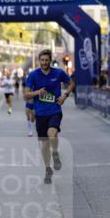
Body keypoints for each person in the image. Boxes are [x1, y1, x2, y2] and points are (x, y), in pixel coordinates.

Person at [24, 49, 74, 184]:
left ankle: (56, 153)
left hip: (55, 110)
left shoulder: (58, 73)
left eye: (47, 60)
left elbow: (71, 83)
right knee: (44, 144)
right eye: (42, 60)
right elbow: (26, 94)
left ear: (50, 60)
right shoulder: (33, 75)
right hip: (40, 113)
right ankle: (48, 169)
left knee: (52, 133)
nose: (44, 62)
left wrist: (65, 95)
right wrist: (37, 92)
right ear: (39, 60)